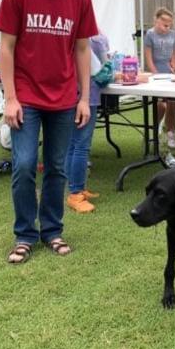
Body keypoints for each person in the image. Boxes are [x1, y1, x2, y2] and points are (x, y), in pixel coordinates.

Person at [0, 0, 97, 263]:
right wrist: (10, 97)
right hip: (26, 97)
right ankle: (25, 234)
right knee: (24, 165)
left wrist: (83, 97)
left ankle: (52, 230)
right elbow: (6, 48)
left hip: (65, 98)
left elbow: (82, 49)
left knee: (56, 167)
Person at [65, 29, 110, 213]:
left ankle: (77, 187)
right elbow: (100, 67)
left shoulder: (71, 33)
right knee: (81, 145)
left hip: (72, 93)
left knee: (73, 144)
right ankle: (75, 192)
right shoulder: (92, 37)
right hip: (86, 96)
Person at [143, 6, 175, 149]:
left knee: (173, 103)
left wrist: (174, 64)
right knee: (160, 105)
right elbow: (148, 57)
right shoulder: (150, 35)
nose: (167, 27)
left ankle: (170, 132)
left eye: (169, 24)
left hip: (170, 75)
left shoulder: (173, 35)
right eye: (165, 24)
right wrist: (155, 74)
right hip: (156, 75)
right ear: (156, 21)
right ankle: (154, 129)